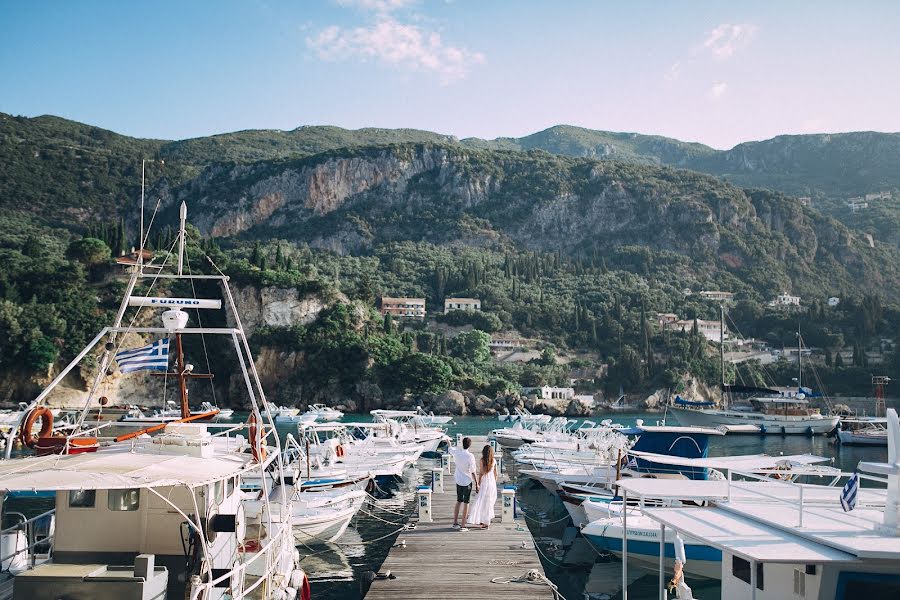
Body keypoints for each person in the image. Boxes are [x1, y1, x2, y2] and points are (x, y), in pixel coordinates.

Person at [465, 444, 498, 529]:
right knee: (489, 502)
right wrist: (494, 482)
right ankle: (485, 521)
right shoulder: (494, 461)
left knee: (481, 501)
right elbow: (496, 474)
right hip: (492, 483)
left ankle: (484, 522)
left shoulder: (482, 460)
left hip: (485, 482)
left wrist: (478, 484)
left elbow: (481, 473)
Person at [448, 437, 477, 531]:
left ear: (462, 444)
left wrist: (448, 442)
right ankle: (463, 525)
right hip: (467, 481)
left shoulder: (457, 452)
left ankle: (455, 522)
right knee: (466, 502)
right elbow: (473, 471)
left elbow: (450, 449)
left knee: (458, 501)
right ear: (470, 445)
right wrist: (477, 483)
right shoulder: (470, 456)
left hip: (458, 480)